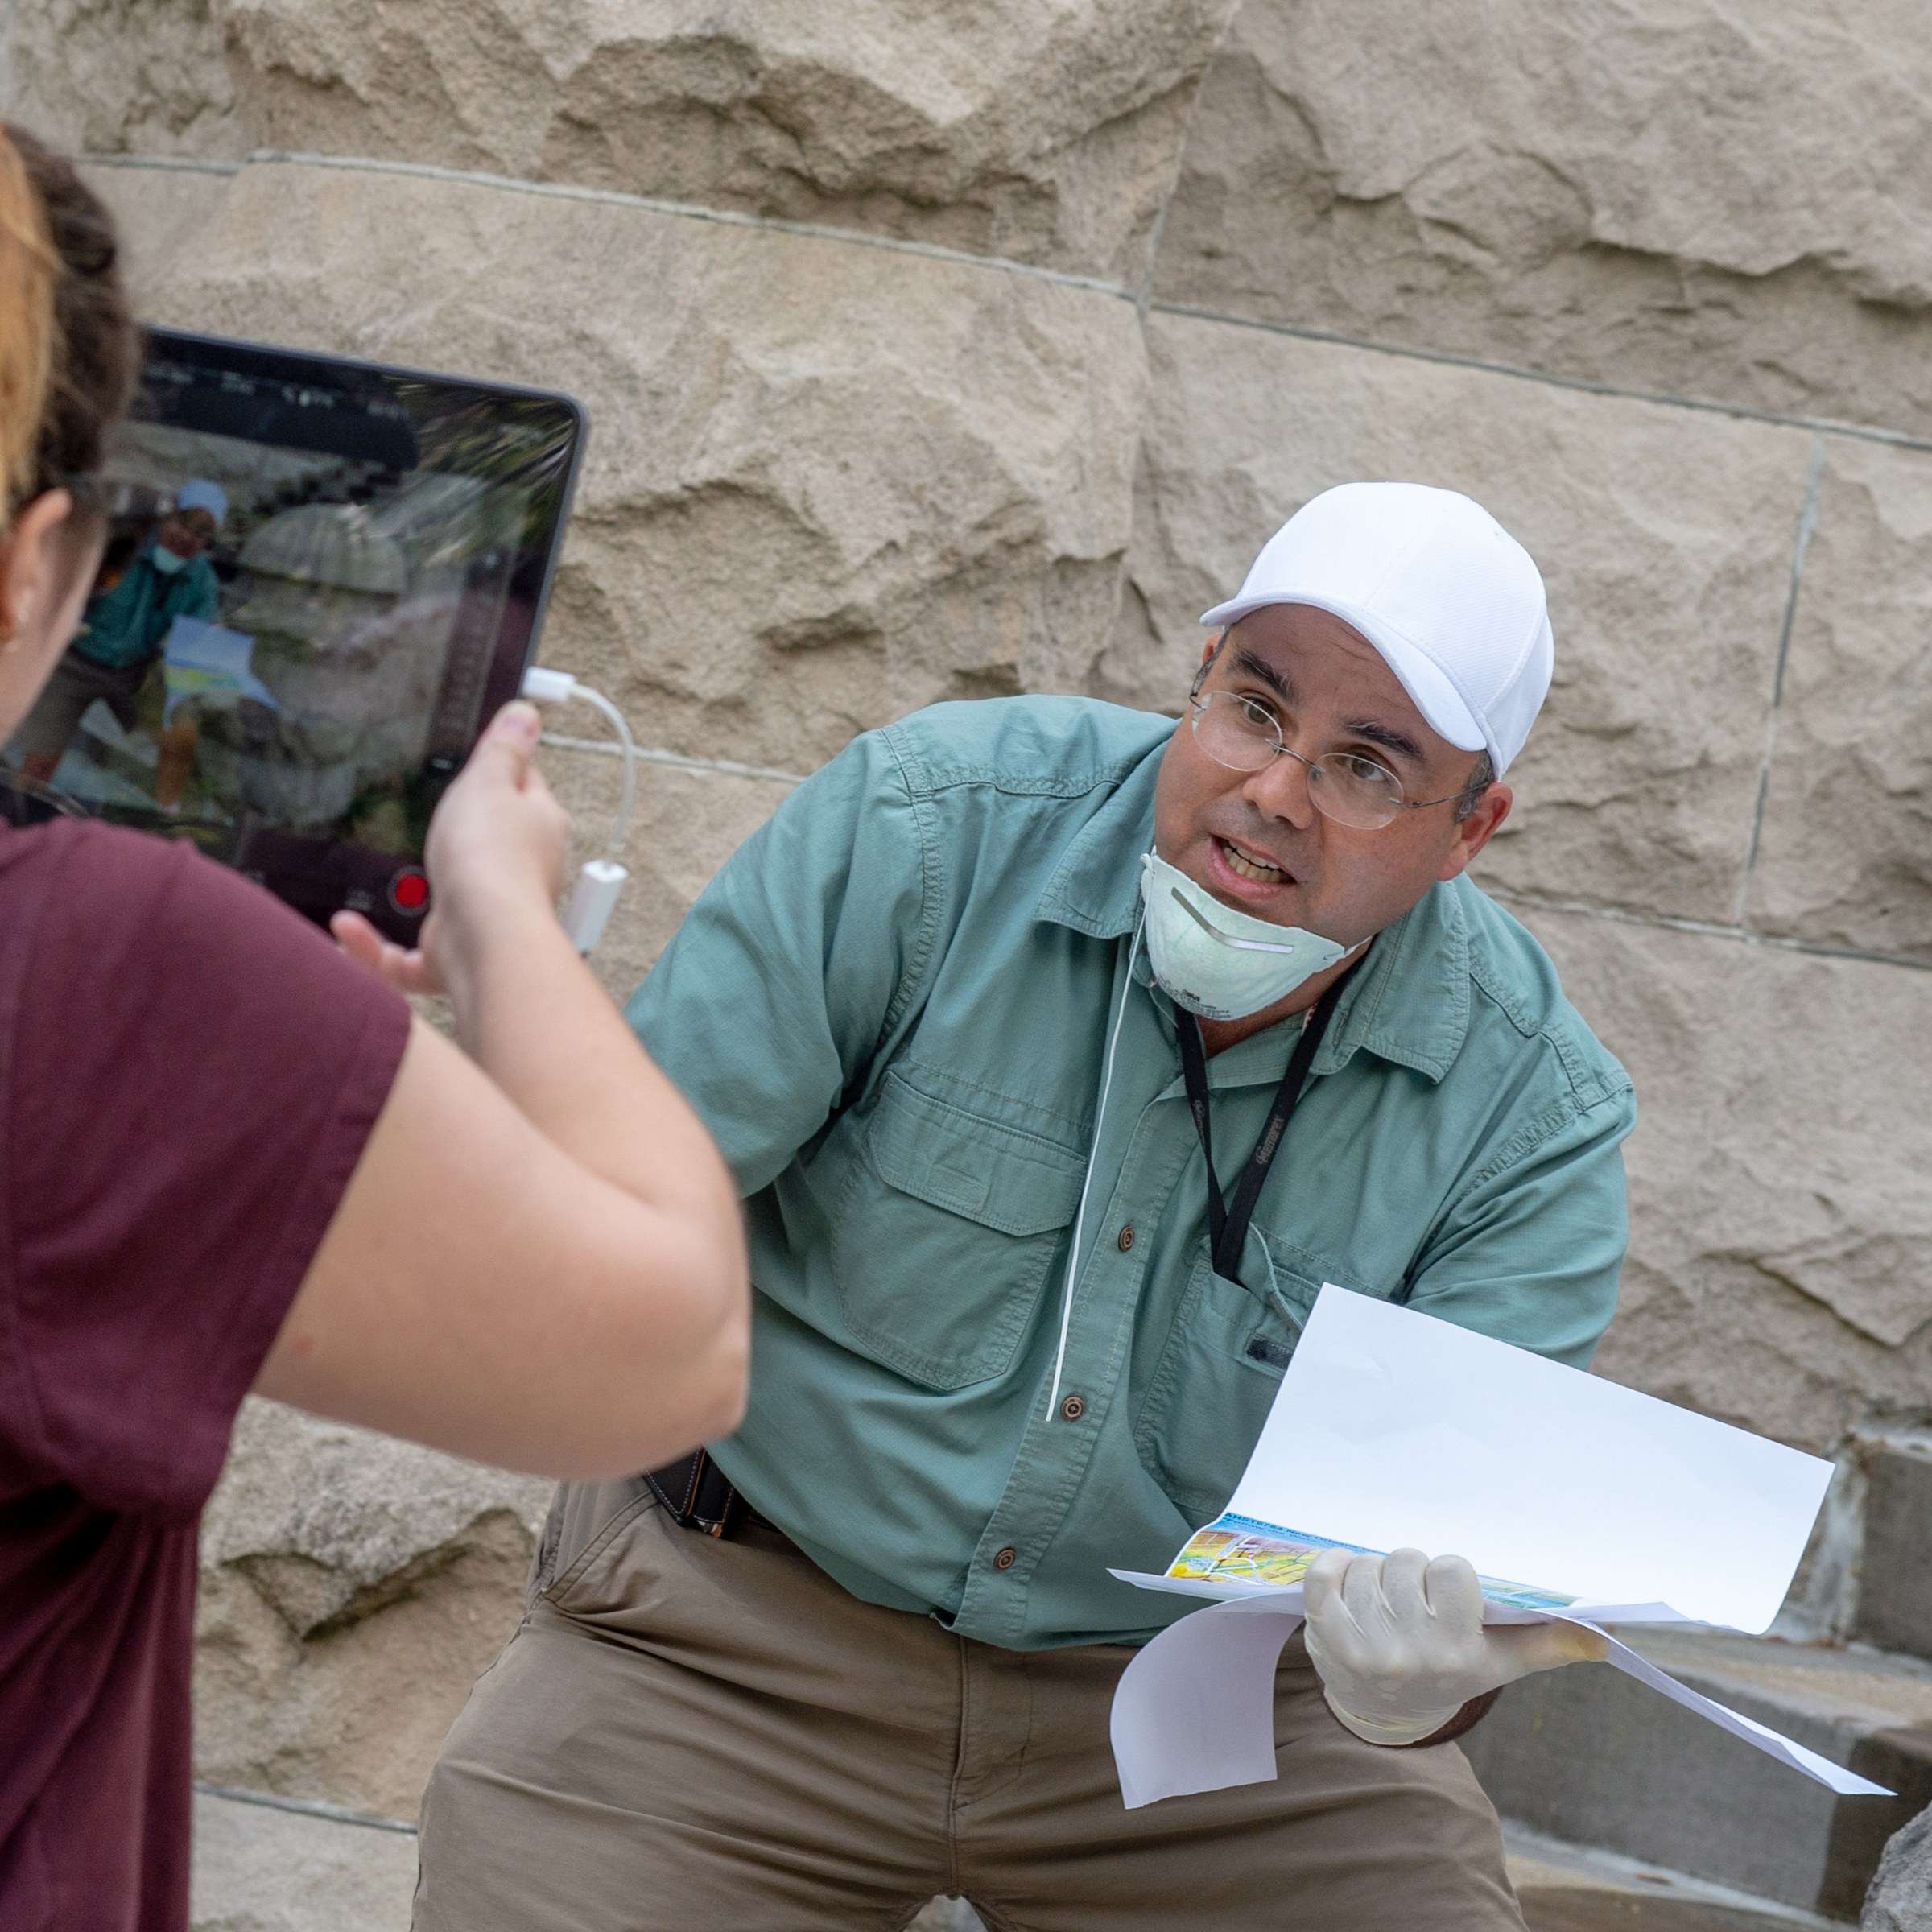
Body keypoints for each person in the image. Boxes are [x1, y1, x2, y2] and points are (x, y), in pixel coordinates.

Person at [412, 471, 1637, 1927]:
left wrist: (1414, 1691)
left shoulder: (1532, 1112)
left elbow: (1461, 1591)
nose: (1274, 791)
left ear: (1471, 828)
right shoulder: (925, 831)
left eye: (1367, 766)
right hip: (737, 1630)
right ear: (1197, 684)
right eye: (1255, 707)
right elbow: (589, 1214)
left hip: (1223, 1737)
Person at [0, 124, 748, 1932]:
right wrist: (497, 906)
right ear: (36, 562)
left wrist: (266, 1074)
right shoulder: (91, 972)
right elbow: (670, 1342)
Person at [14, 477, 226, 784]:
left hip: (134, 675)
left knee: (180, 743)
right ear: (167, 518)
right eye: (183, 523)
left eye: (201, 534)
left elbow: (198, 642)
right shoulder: (122, 546)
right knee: (40, 763)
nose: (187, 538)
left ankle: (164, 815)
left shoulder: (201, 580)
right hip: (75, 664)